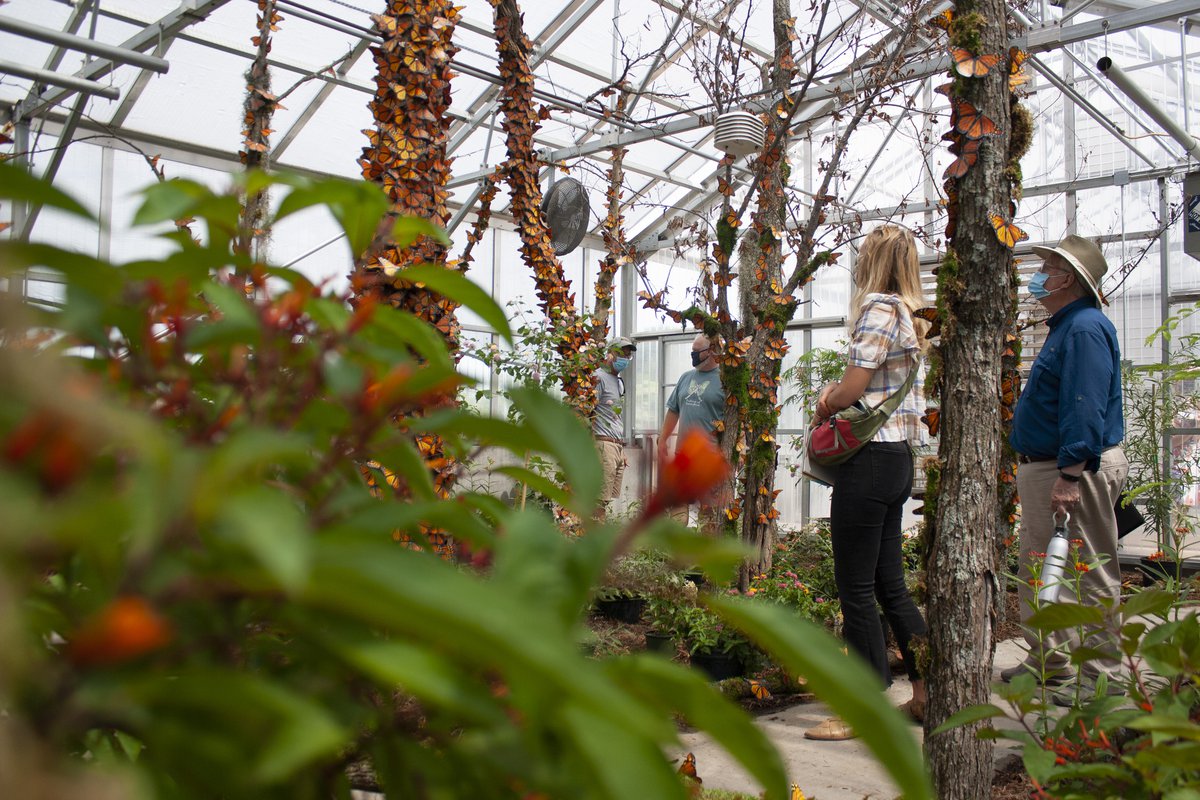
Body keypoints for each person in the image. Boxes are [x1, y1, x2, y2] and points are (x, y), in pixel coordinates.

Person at [805, 225, 929, 741]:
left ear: (872, 261)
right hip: (898, 460)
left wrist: (828, 396)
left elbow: (854, 387)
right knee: (889, 583)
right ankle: (926, 693)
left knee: (855, 587)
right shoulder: (913, 313)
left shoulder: (879, 307)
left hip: (869, 461)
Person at [1004, 234, 1127, 696]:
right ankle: (1049, 661)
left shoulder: (1084, 328)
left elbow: (1085, 404)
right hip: (1052, 466)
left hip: (1070, 468)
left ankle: (1104, 678)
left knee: (1089, 569)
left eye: (1049, 267)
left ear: (1068, 279)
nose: (1039, 276)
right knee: (1042, 567)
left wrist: (1070, 474)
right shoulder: (1066, 326)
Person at [659, 333, 725, 526]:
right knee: (678, 505)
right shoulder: (686, 378)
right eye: (692, 351)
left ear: (712, 351)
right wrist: (662, 439)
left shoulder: (725, 380)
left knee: (709, 511)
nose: (693, 356)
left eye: (697, 352)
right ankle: (676, 552)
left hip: (710, 457)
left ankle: (706, 551)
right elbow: (673, 410)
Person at [592, 336, 636, 517]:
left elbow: (615, 417)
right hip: (603, 444)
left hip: (616, 446)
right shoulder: (598, 377)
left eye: (628, 355)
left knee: (607, 497)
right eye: (621, 354)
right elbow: (588, 411)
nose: (625, 358)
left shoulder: (618, 382)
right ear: (610, 354)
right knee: (598, 500)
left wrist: (620, 449)